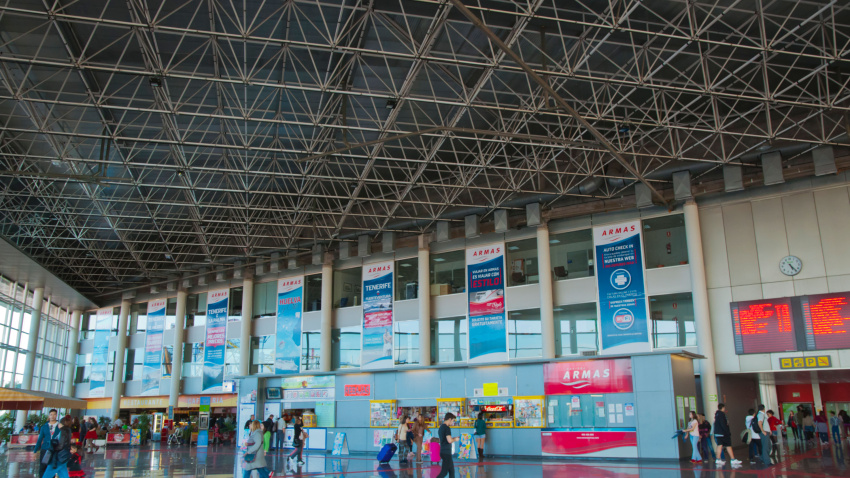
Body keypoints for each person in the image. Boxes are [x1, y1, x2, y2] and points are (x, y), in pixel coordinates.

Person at [36, 409, 60, 478]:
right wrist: (36, 450)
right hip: (45, 448)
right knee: (43, 466)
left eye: (54, 414)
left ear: (56, 415)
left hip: (54, 449)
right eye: (51, 414)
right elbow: (40, 438)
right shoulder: (45, 426)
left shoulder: (59, 426)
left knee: (51, 466)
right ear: (49, 416)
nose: (52, 416)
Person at [435, 413, 458, 478]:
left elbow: (443, 439)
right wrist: (455, 439)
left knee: (451, 471)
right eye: (453, 420)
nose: (453, 422)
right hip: (446, 453)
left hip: (443, 451)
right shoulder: (447, 428)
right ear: (450, 419)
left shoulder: (441, 427)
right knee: (444, 472)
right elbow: (449, 440)